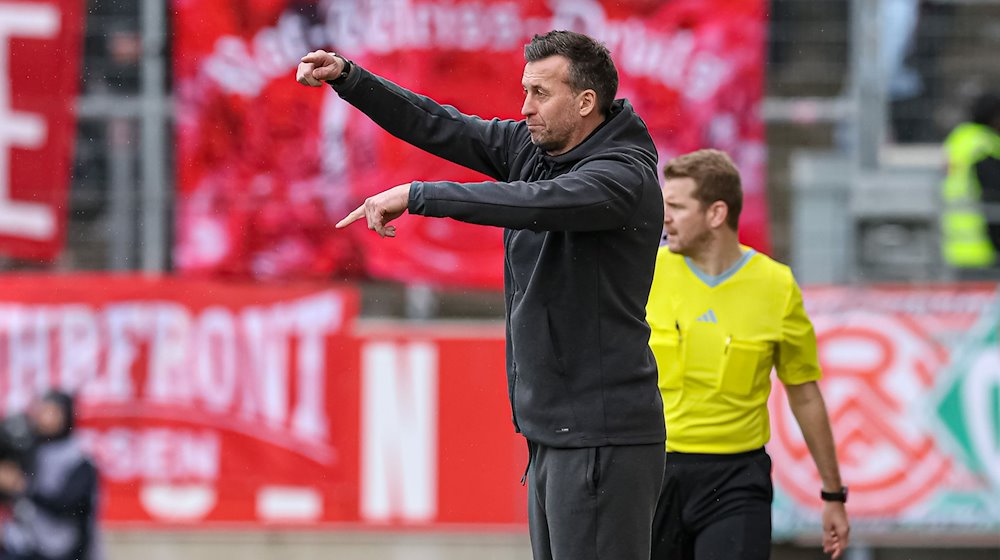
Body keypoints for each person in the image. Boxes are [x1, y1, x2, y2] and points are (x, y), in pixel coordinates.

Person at [297, 30, 665, 560]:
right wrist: (351, 80)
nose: (525, 108)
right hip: (557, 433)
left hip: (600, 435)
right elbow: (439, 125)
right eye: (525, 91)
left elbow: (531, 202)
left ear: (586, 103)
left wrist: (417, 194)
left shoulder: (620, 178)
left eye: (541, 93)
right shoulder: (537, 149)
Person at [646, 149, 850, 560]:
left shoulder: (776, 286)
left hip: (735, 479)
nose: (663, 217)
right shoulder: (643, 271)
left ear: (716, 214)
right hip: (648, 473)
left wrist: (833, 494)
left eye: (677, 207)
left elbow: (805, 393)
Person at [0, 390, 101, 560]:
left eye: (52, 412)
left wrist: (22, 486)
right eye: (41, 411)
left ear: (66, 416)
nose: (44, 418)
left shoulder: (78, 458)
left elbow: (67, 505)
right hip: (25, 542)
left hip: (64, 548)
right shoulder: (27, 447)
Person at [941, 91, 1000, 279]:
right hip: (983, 245)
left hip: (955, 244)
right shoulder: (984, 146)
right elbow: (994, 193)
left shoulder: (961, 139)